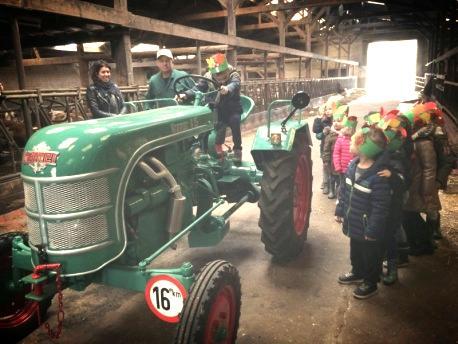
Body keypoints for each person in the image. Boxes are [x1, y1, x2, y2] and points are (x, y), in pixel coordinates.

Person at [335, 127, 391, 299]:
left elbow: (381, 207)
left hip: (369, 228)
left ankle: (370, 282)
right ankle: (357, 272)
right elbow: (344, 190)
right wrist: (340, 209)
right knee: (356, 251)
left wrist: (373, 230)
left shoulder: (378, 176)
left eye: (353, 141)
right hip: (354, 222)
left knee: (371, 256)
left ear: (364, 148)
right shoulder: (353, 165)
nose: (350, 141)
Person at [206, 53, 243, 162]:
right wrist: (186, 94)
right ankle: (215, 149)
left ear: (226, 70)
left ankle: (237, 150)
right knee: (218, 125)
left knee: (235, 122)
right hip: (218, 108)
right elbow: (199, 86)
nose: (219, 77)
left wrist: (227, 88)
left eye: (221, 73)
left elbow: (235, 84)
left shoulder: (234, 74)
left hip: (233, 109)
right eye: (216, 74)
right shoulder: (208, 76)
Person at [332, 114, 357, 198]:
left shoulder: (355, 141)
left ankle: (349, 199)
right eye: (347, 128)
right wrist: (338, 166)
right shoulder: (340, 140)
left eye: (350, 129)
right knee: (342, 184)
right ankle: (340, 198)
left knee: (351, 185)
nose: (348, 130)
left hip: (352, 168)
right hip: (342, 168)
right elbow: (336, 154)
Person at [313, 104, 333, 192]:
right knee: (326, 164)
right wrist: (323, 132)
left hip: (336, 146)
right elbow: (317, 134)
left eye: (330, 109)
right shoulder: (319, 120)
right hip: (325, 147)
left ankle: (333, 185)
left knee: (335, 166)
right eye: (326, 109)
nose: (328, 111)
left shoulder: (338, 119)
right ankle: (325, 184)